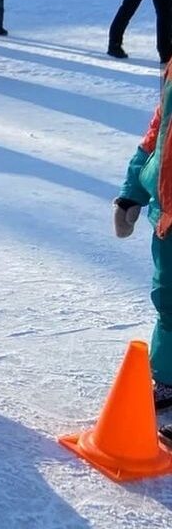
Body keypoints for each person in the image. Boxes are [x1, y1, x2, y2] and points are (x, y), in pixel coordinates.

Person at [114, 62, 172, 411]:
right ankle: (167, 378)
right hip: (168, 217)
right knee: (168, 299)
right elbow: (158, 129)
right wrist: (132, 191)